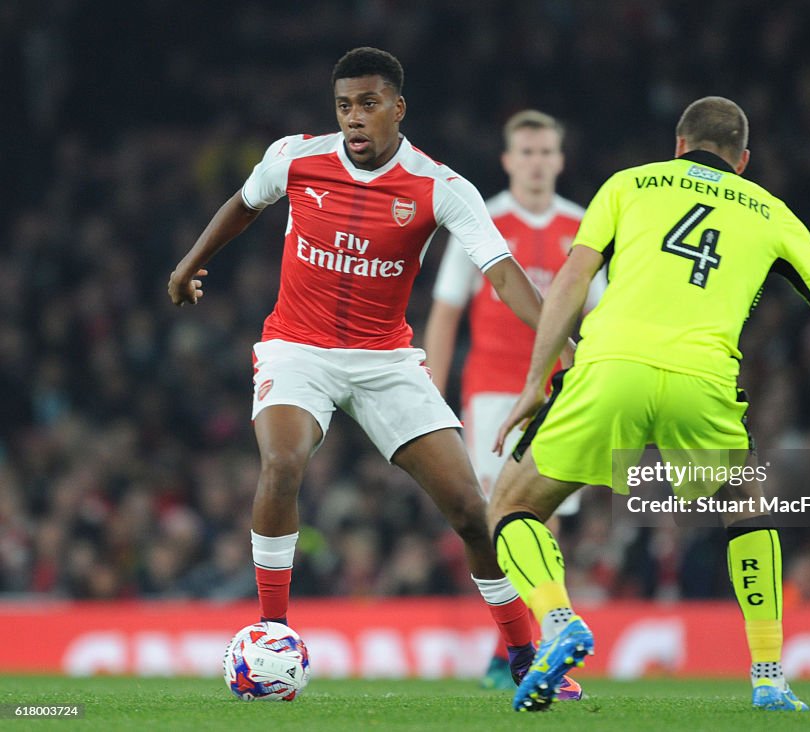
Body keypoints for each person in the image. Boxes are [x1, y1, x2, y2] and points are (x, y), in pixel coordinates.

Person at [486, 96, 810, 712]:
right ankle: (770, 676)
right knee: (744, 510)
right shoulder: (772, 213)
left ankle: (560, 620)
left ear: (678, 145)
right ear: (743, 161)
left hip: (611, 367)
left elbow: (571, 280)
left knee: (512, 505)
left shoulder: (628, 185)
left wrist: (537, 379)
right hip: (703, 384)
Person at [167, 47, 579, 700]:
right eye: (343, 106)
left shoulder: (440, 187)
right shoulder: (296, 157)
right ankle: (273, 633)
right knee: (281, 462)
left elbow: (503, 274)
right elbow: (244, 204)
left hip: (386, 362)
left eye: (367, 105)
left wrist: (563, 346)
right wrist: (189, 263)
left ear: (397, 108)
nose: (353, 119)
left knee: (473, 512)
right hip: (296, 349)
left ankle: (525, 654)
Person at [423, 109, 603, 689]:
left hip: (559, 395)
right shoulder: (482, 220)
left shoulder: (584, 224)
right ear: (508, 160)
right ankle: (526, 644)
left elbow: (599, 318)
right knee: (504, 517)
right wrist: (433, 396)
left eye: (546, 151)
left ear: (560, 158)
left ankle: (525, 648)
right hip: (493, 394)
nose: (536, 162)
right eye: (526, 152)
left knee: (537, 522)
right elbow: (446, 316)